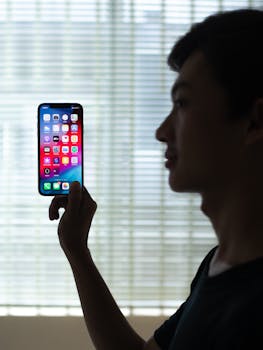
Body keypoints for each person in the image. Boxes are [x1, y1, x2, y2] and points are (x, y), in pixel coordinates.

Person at [49, 7, 263, 350]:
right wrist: (77, 251)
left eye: (182, 103)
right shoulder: (219, 264)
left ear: (254, 122)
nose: (162, 131)